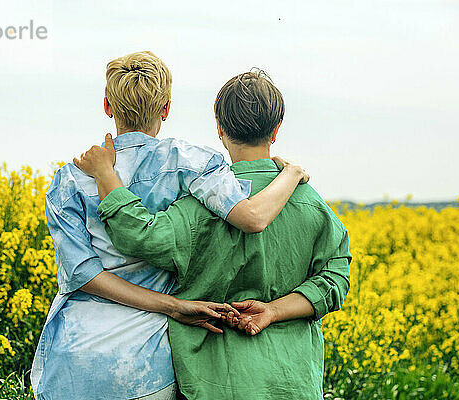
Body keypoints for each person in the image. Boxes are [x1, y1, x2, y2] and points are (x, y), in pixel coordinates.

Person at [31, 52, 309, 400]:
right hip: (145, 367)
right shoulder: (192, 164)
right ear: (166, 108)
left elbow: (84, 276)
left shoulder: (69, 180)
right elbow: (251, 217)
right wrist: (292, 173)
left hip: (70, 364)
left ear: (107, 105)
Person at [75, 70, 352, 400]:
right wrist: (274, 310)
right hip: (293, 383)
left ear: (219, 128)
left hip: (215, 383)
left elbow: (137, 236)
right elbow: (335, 279)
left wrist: (107, 177)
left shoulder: (199, 207)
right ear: (276, 130)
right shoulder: (311, 203)